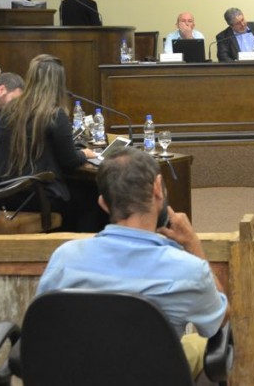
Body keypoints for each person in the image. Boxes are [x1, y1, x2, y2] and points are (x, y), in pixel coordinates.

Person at [36, 147, 229, 380]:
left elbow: (44, 330)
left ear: (103, 203)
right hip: (153, 376)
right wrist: (193, 244)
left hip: (80, 375)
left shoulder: (64, 258)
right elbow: (219, 320)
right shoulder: (188, 271)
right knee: (199, 344)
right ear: (158, 188)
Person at [0, 54, 104, 232]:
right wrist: (84, 153)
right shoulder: (54, 114)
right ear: (58, 83)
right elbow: (69, 161)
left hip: (4, 192)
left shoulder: (10, 109)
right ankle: (79, 246)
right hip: (35, 194)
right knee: (92, 196)